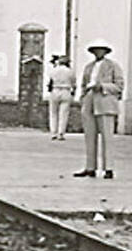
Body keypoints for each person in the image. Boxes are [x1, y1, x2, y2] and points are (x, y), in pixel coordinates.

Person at [73, 39, 123, 179]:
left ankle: (109, 168)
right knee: (89, 135)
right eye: (95, 50)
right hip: (90, 99)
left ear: (105, 52)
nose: (98, 52)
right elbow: (83, 83)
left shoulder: (112, 66)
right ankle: (90, 167)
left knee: (107, 136)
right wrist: (83, 97)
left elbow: (119, 86)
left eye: (100, 50)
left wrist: (102, 86)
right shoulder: (89, 67)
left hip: (105, 100)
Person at [46, 55, 74, 141]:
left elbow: (50, 82)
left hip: (55, 90)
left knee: (53, 113)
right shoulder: (70, 71)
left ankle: (53, 132)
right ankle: (61, 133)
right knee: (64, 113)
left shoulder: (53, 70)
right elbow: (74, 82)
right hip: (66, 90)